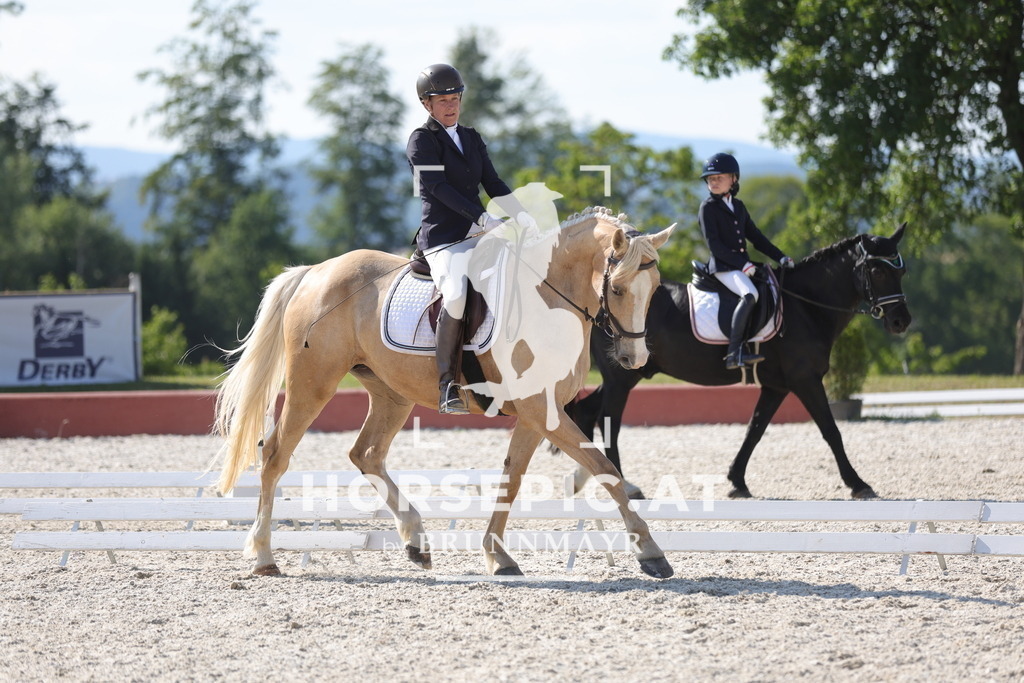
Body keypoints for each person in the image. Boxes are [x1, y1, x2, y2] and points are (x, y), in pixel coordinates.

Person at [406, 63, 533, 414]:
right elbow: (438, 188)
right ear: (426, 104)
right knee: (458, 295)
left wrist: (523, 216)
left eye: (455, 98)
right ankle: (448, 384)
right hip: (444, 239)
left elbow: (492, 183)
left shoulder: (472, 137)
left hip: (482, 233)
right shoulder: (421, 141)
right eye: (442, 100)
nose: (451, 105)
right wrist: (481, 217)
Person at [698, 152, 795, 370]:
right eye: (710, 179)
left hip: (741, 266)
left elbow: (757, 238)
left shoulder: (739, 206)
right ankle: (734, 353)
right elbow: (715, 246)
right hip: (723, 267)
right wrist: (744, 265)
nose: (713, 182)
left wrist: (780, 256)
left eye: (718, 178)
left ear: (733, 179)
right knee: (750, 294)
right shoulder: (707, 208)